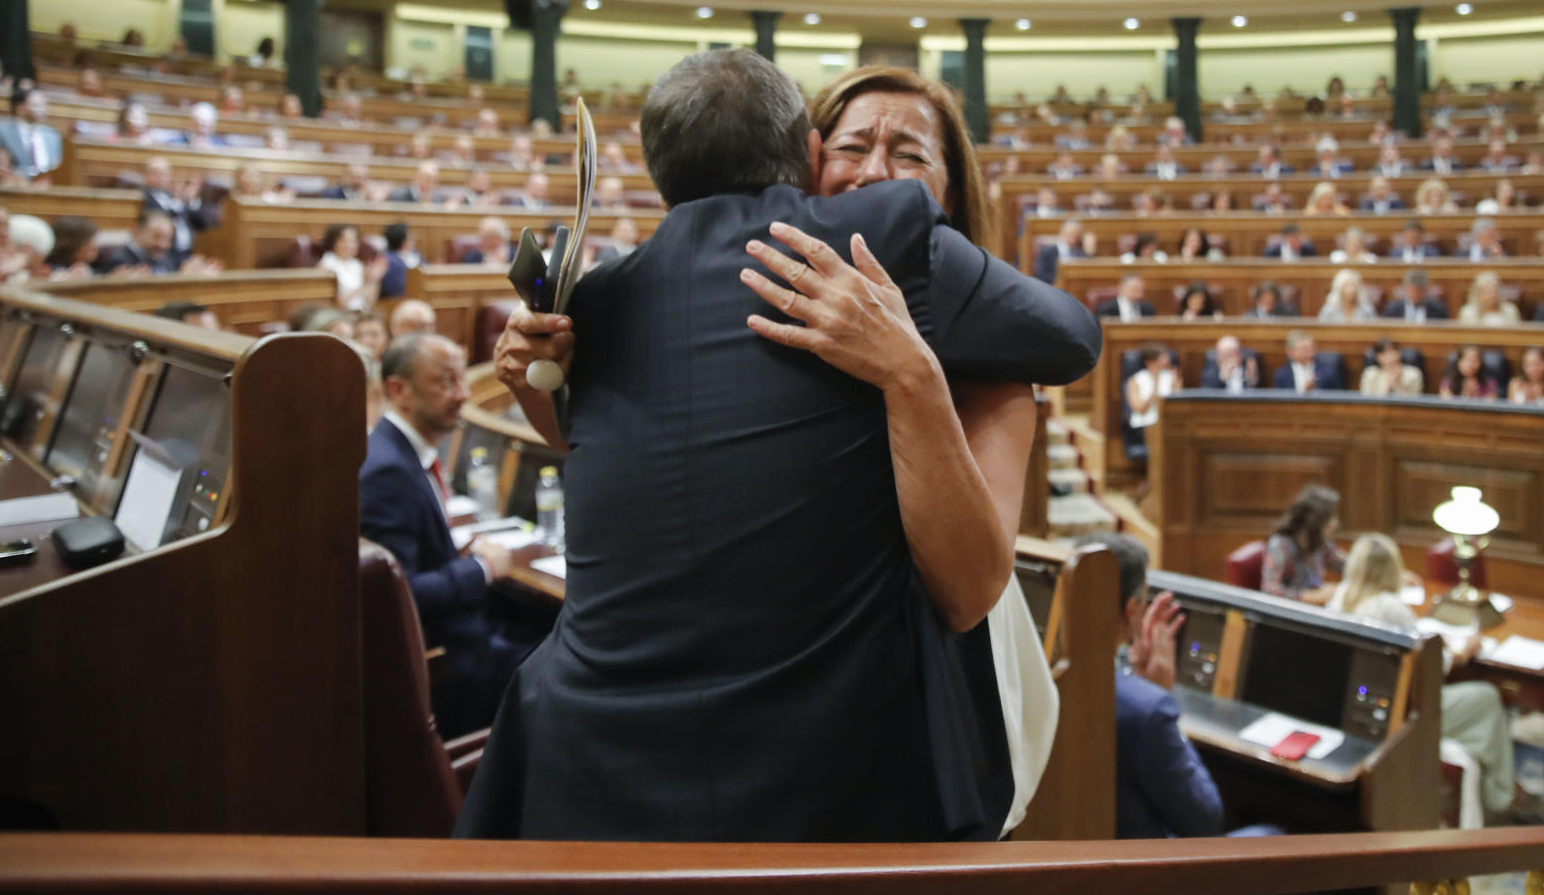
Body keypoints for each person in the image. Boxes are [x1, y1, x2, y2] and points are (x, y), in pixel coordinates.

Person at [459, 52, 1101, 843]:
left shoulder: (989, 365)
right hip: (740, 765)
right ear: (807, 158)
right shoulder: (638, 298)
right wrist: (540, 382)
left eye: (907, 157)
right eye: (853, 148)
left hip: (774, 744)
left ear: (953, 194)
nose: (876, 176)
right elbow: (626, 450)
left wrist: (910, 371)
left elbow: (967, 589)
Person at [361, 334, 546, 737]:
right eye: (446, 382)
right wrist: (482, 568)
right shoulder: (387, 471)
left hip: (457, 632)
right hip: (452, 658)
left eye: (462, 380)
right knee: (561, 656)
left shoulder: (396, 453)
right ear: (398, 390)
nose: (463, 395)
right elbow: (399, 591)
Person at [1082, 532, 1281, 839]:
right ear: (1132, 610)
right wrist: (1157, 695)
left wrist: (1141, 689)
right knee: (1273, 835)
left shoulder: (1040, 679)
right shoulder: (1147, 711)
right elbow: (1205, 819)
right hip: (1146, 877)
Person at [1327, 534, 1528, 822]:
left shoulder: (1341, 596)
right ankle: (1500, 795)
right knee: (1486, 697)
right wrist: (1460, 653)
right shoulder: (1391, 607)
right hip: (1401, 712)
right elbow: (1428, 668)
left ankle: (1488, 787)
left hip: (1358, 700)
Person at [1262, 484, 1345, 603]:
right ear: (1316, 520)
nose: (1335, 524)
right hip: (1288, 617)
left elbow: (1346, 566)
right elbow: (1269, 591)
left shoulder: (1321, 544)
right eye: (1331, 517)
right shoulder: (1280, 545)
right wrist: (1309, 596)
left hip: (1314, 612)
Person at [140, 156, 216, 257]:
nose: (160, 177)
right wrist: (180, 203)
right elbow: (161, 219)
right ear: (145, 176)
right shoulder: (141, 198)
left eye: (163, 174)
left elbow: (201, 223)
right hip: (164, 254)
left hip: (188, 252)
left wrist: (191, 201)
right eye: (155, 173)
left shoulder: (173, 197)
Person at [0, 83, 63, 178]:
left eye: (44, 105)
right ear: (20, 108)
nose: (43, 109)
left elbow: (57, 166)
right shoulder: (0, 133)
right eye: (37, 105)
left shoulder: (52, 135)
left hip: (49, 186)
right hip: (15, 186)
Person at [1124, 345, 1180, 465]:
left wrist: (1176, 384)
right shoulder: (1135, 380)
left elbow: (1179, 405)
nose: (1167, 360)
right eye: (1163, 357)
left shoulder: (1171, 377)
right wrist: (1155, 387)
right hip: (1144, 425)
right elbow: (1140, 409)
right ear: (1150, 361)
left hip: (1167, 424)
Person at [318, 223, 386, 313]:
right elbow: (334, 303)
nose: (350, 245)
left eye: (354, 241)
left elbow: (369, 303)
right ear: (333, 242)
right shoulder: (327, 263)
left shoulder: (357, 264)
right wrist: (362, 288)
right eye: (344, 241)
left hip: (361, 314)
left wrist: (373, 280)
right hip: (339, 314)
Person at [1273, 330, 1343, 393]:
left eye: (1311, 348)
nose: (1310, 353)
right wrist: (1303, 391)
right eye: (1304, 350)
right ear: (1291, 352)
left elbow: (1337, 400)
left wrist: (1316, 391)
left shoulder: (1329, 374)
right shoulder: (1282, 375)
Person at [1383, 268, 1448, 324]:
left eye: (1419, 291)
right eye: (1412, 291)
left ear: (1425, 290)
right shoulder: (1392, 310)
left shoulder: (1438, 310)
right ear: (1405, 289)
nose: (1415, 294)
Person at [379, 222, 422, 299]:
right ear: (401, 240)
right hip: (397, 299)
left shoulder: (415, 254)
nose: (414, 240)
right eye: (410, 237)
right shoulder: (388, 259)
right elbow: (392, 287)